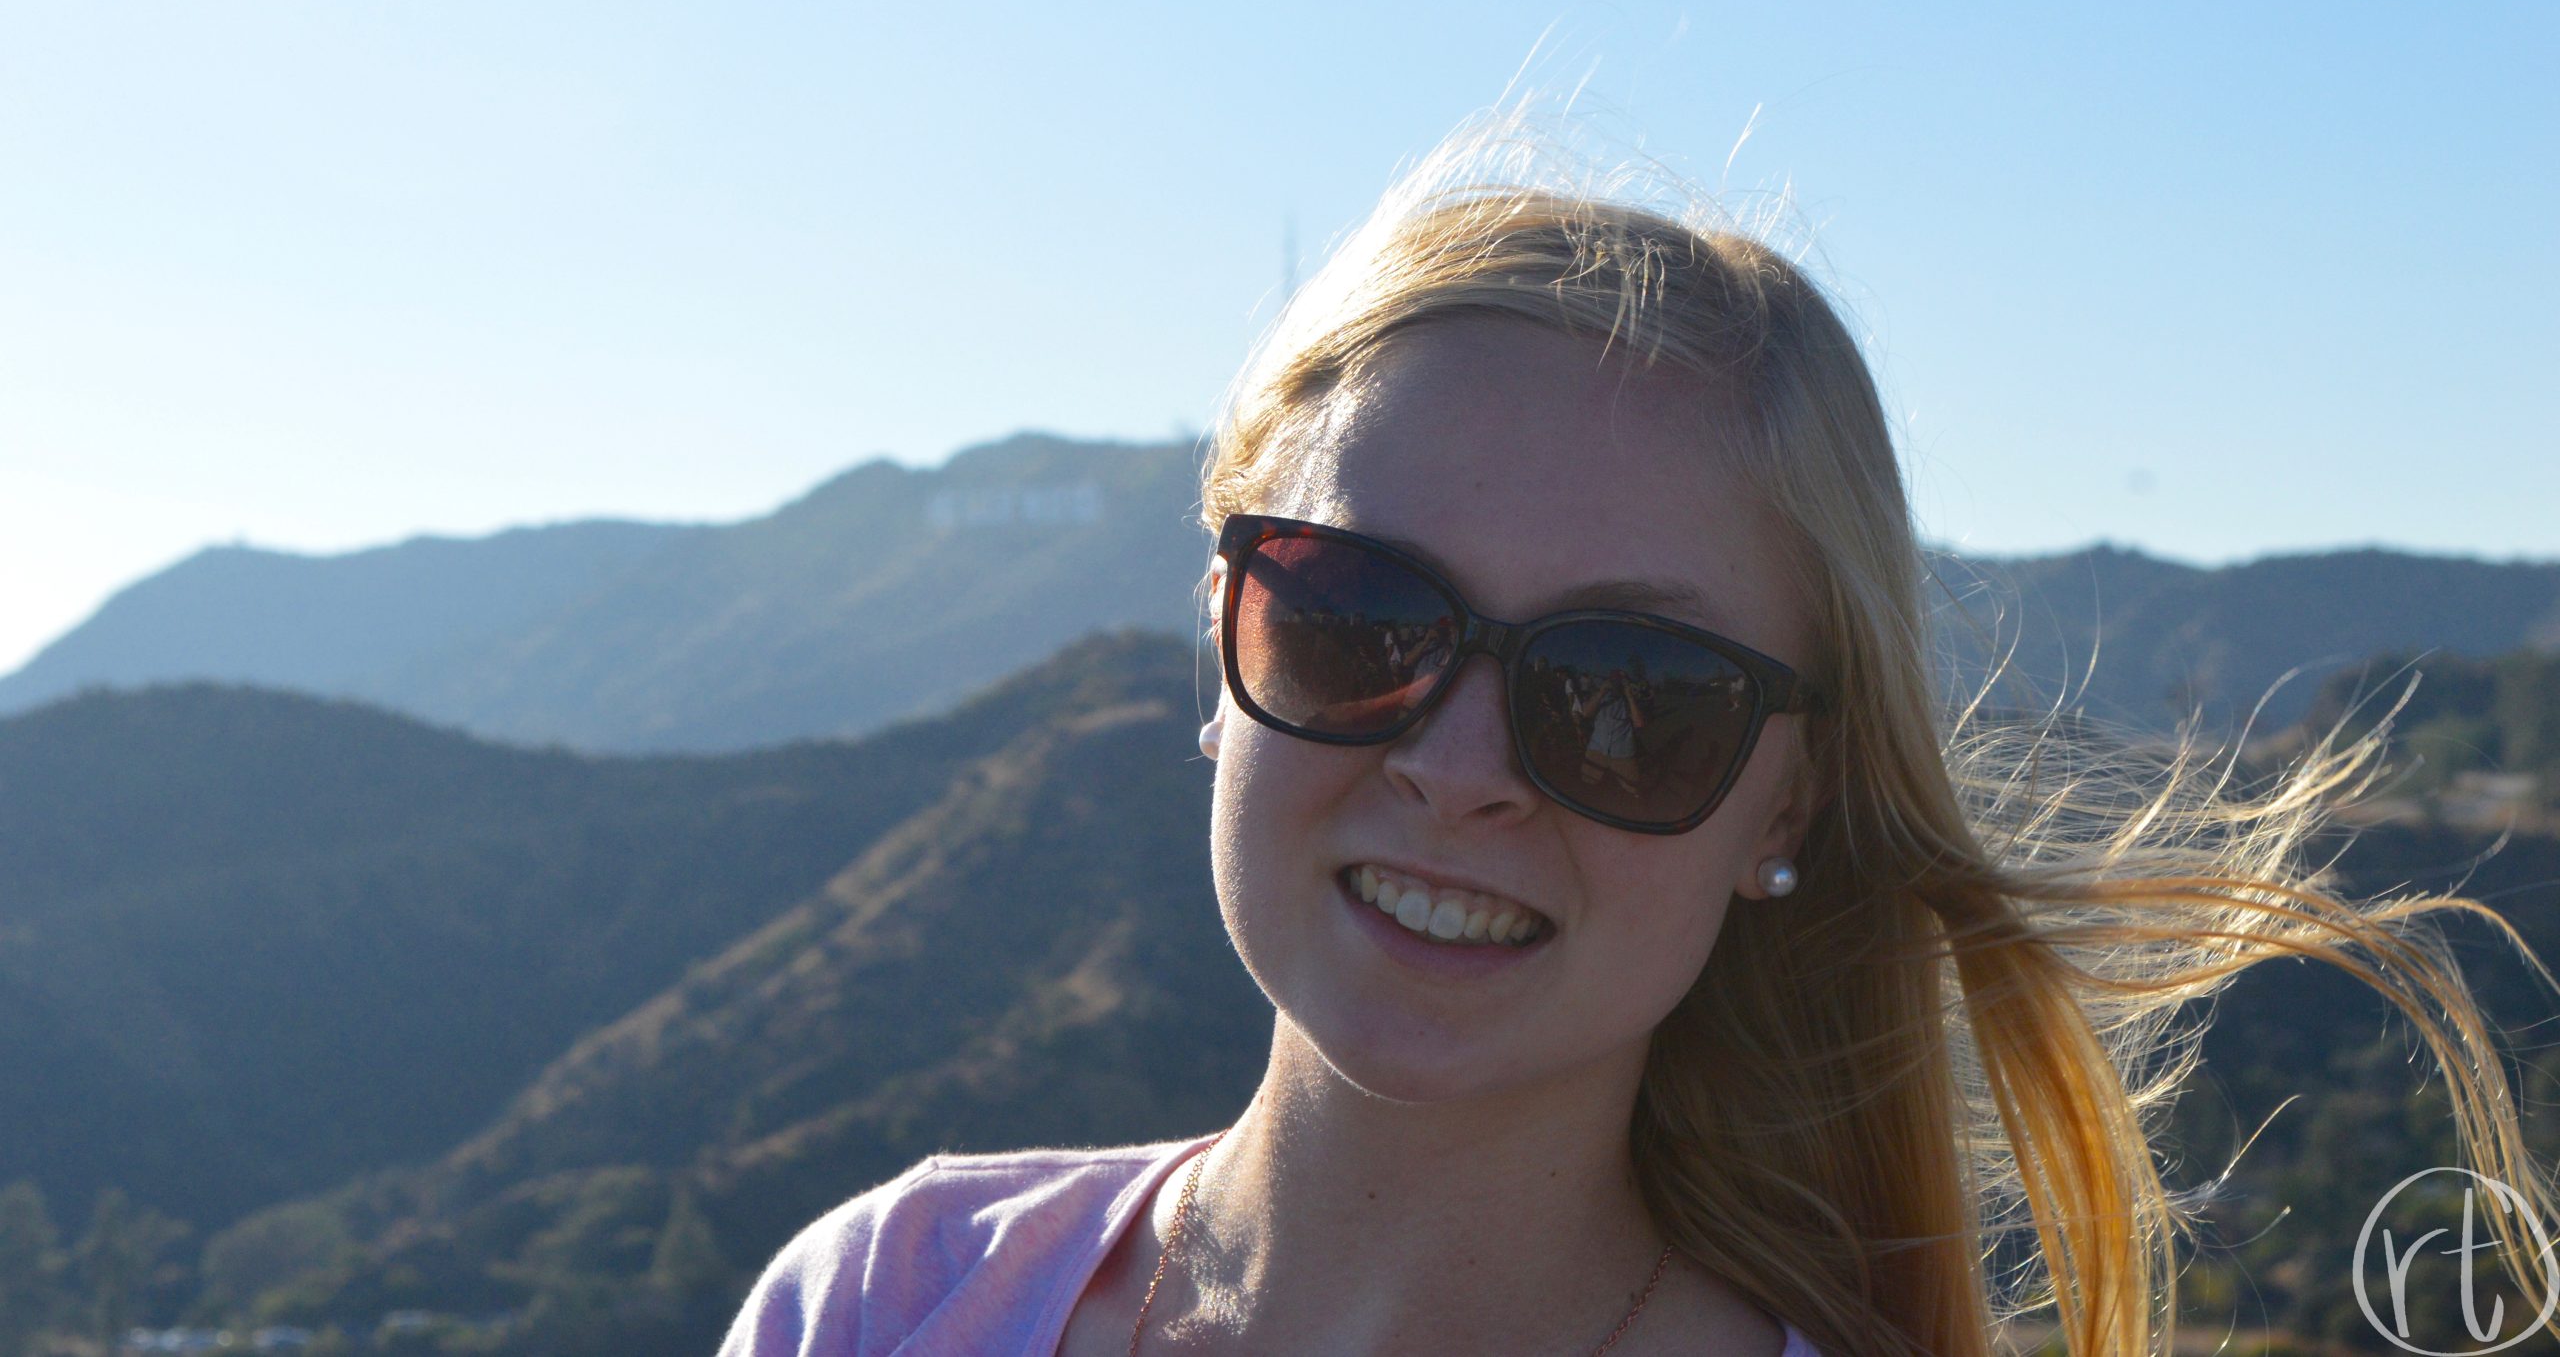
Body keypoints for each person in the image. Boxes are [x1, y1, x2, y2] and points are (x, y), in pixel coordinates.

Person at [715, 114, 2553, 1357]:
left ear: (1790, 795)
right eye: (1358, 618)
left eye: (1630, 699)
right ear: (1218, 648)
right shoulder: (879, 1301)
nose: (1458, 762)